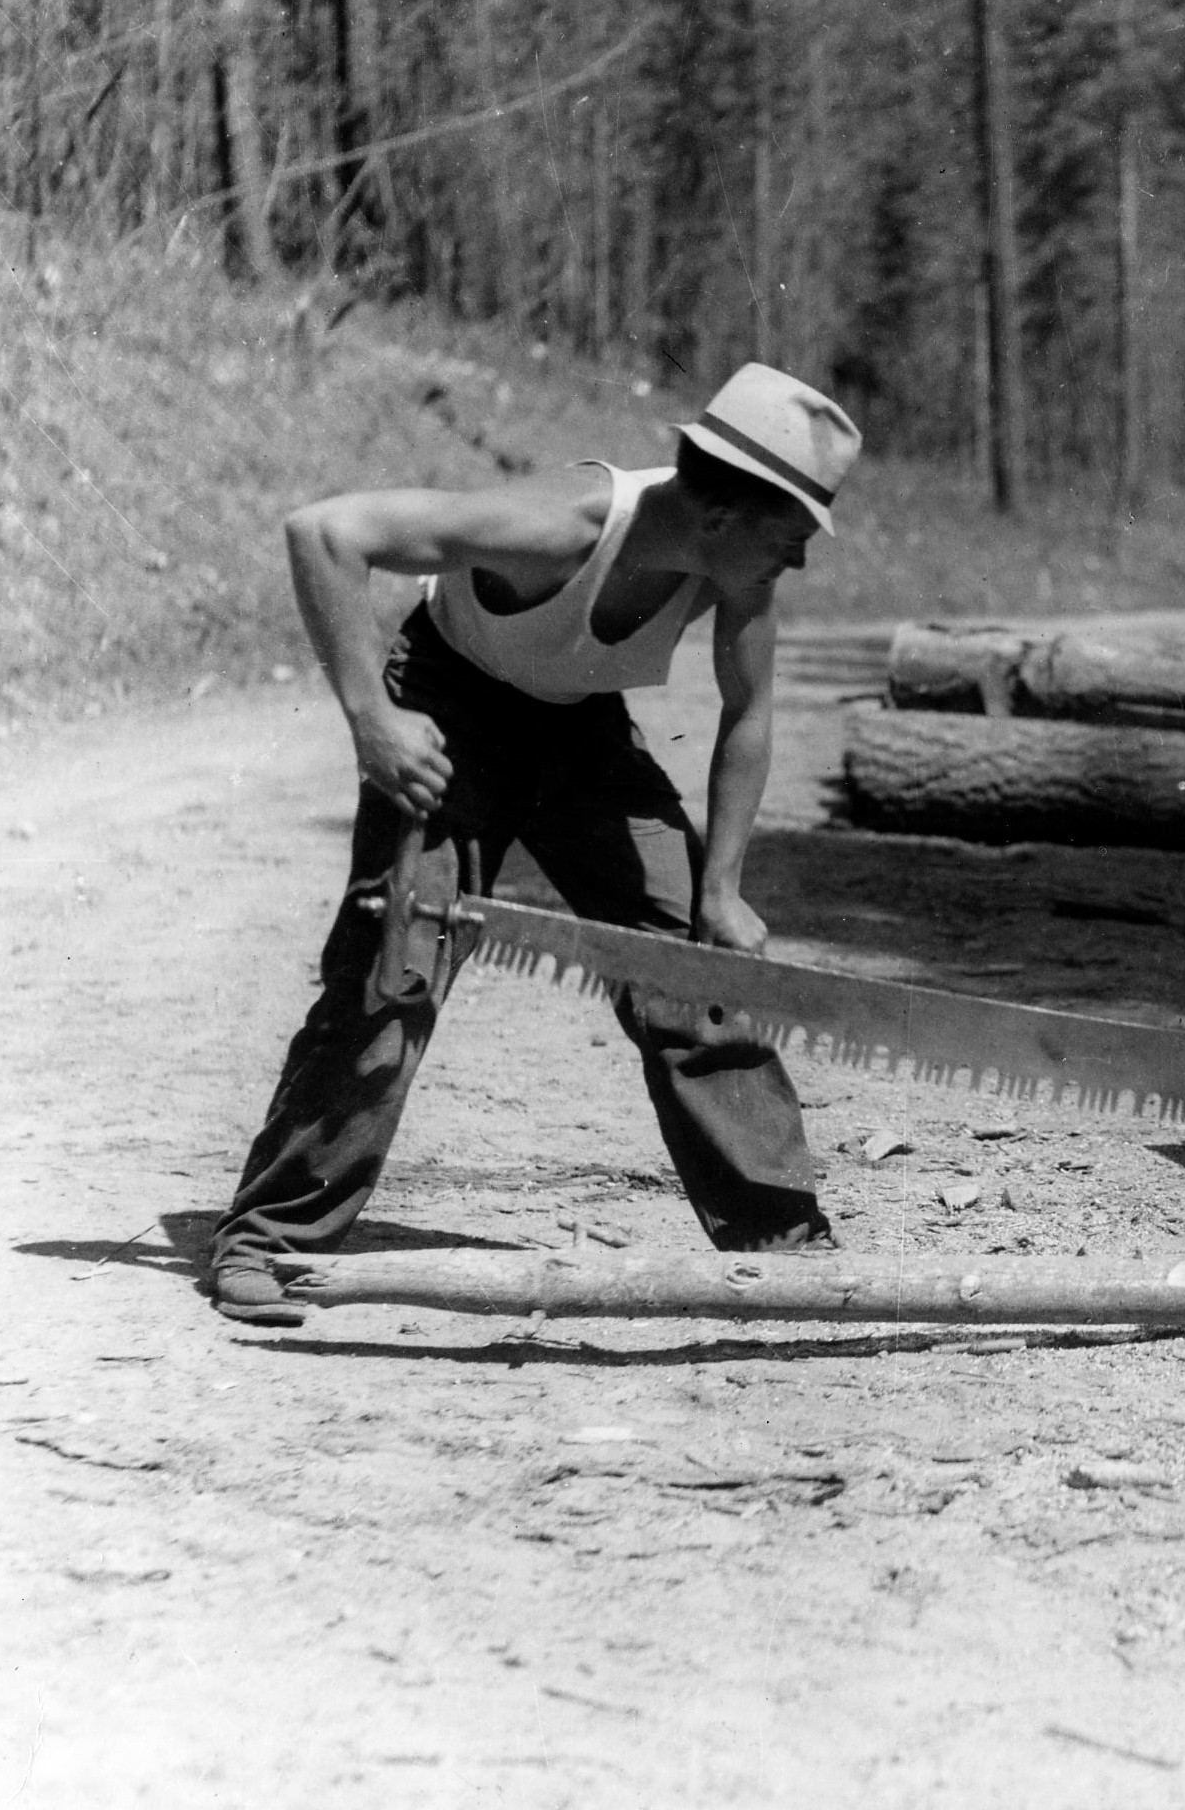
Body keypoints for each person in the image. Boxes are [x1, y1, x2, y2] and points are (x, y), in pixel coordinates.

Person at [203, 363, 860, 1324]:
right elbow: (325, 531)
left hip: (581, 727)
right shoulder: (563, 526)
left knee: (698, 971)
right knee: (393, 973)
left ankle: (782, 1249)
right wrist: (372, 718)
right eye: (791, 537)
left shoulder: (736, 569)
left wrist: (719, 887)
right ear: (725, 513)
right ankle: (271, 1242)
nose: (796, 564)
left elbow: (749, 713)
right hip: (452, 703)